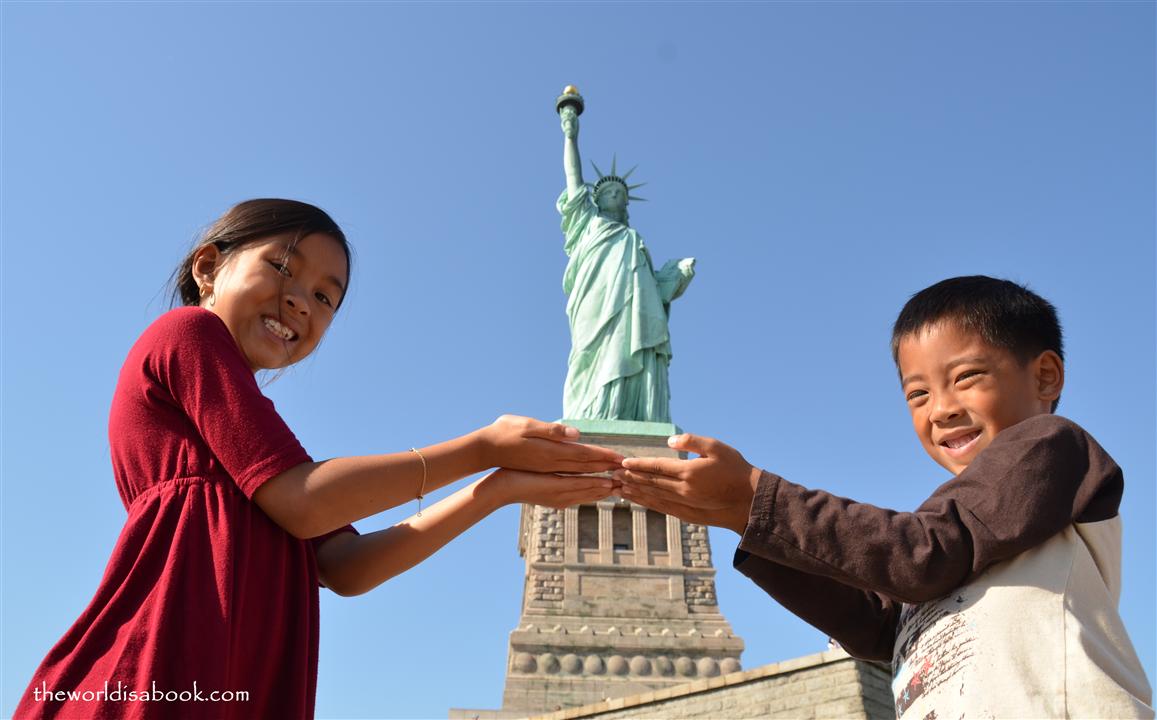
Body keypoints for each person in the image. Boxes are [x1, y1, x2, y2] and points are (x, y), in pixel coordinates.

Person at [15, 199, 622, 720]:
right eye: (282, 267)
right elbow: (303, 503)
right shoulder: (188, 335)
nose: (302, 300)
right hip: (160, 664)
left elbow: (347, 565)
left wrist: (497, 488)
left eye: (326, 297)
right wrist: (479, 446)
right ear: (208, 266)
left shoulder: (256, 430)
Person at [616, 275, 1153, 719]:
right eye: (918, 394)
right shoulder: (953, 522)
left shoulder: (1052, 445)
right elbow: (877, 624)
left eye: (966, 377)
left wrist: (761, 497)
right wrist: (743, 517)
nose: (940, 408)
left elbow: (923, 554)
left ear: (1045, 376)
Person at [557, 103, 695, 422]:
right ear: (597, 198)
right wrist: (570, 137)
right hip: (595, 303)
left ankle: (633, 416)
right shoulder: (586, 223)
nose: (616, 195)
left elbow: (654, 296)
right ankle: (591, 414)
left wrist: (676, 277)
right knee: (590, 355)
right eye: (608, 191)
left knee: (630, 347)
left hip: (633, 314)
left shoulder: (635, 242)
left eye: (621, 192)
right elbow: (573, 178)